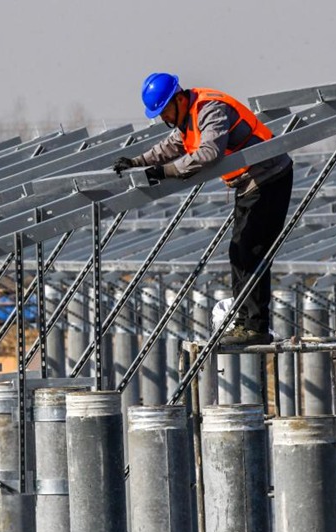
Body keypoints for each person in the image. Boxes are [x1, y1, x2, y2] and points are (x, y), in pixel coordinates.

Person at [113, 72, 293, 346]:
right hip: (250, 183)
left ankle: (255, 326)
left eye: (164, 111)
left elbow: (210, 152)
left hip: (269, 177)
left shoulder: (210, 109)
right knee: (239, 251)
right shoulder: (189, 119)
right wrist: (137, 162)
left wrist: (164, 172)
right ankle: (244, 321)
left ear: (178, 99)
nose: (164, 119)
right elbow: (171, 146)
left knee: (250, 250)